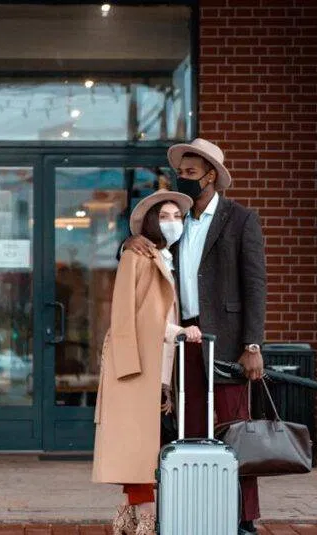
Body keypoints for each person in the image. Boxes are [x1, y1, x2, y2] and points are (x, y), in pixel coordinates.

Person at [123, 138, 267, 535]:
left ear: (210, 177)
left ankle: (243, 518)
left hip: (229, 341)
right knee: (188, 427)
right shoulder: (176, 221)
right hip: (183, 337)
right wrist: (128, 241)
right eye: (179, 173)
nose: (181, 180)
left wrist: (253, 345)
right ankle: (190, 508)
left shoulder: (240, 220)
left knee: (235, 430)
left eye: (189, 174)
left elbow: (255, 285)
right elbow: (146, 247)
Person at [92, 190, 201, 535]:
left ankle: (127, 516)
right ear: (152, 222)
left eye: (177, 216)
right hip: (137, 361)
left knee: (142, 445)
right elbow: (130, 317)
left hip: (162, 363)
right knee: (140, 446)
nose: (173, 223)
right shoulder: (136, 256)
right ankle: (147, 520)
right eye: (165, 216)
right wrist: (177, 332)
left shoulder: (169, 257)